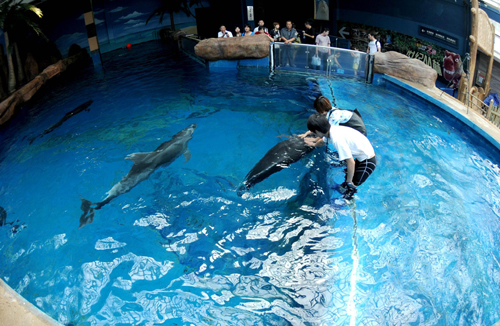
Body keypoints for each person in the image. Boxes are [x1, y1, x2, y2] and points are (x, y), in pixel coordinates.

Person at [304, 113, 376, 200]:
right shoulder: (332, 129)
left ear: (318, 131)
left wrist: (349, 182)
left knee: (351, 186)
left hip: (368, 161)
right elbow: (322, 142)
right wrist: (311, 143)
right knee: (347, 174)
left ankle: (344, 204)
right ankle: (342, 187)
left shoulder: (337, 140)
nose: (313, 133)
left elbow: (351, 162)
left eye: (313, 131)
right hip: (363, 156)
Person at [299, 95, 367, 138]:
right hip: (357, 123)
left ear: (321, 110)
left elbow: (328, 134)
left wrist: (315, 142)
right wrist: (306, 134)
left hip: (360, 130)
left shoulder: (334, 117)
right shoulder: (331, 110)